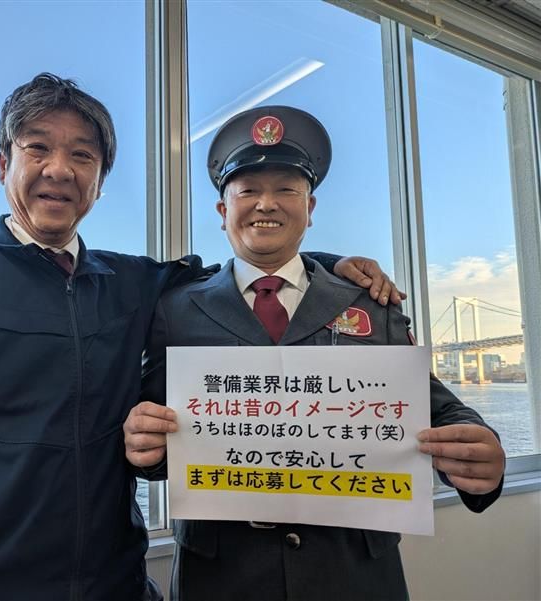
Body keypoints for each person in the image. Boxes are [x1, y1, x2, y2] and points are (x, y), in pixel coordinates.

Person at [0, 74, 404, 600]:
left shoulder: (132, 283)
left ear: (99, 182)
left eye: (82, 155)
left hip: (115, 583)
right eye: (37, 148)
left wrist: (332, 267)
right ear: (2, 164)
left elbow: (246, 271)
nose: (59, 169)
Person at [123, 105, 506, 600]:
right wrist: (145, 449)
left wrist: (480, 451)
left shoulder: (372, 302)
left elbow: (435, 407)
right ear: (222, 212)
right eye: (248, 191)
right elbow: (157, 432)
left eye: (287, 190)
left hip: (353, 576)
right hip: (220, 578)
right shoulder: (176, 309)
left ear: (310, 207)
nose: (266, 204)